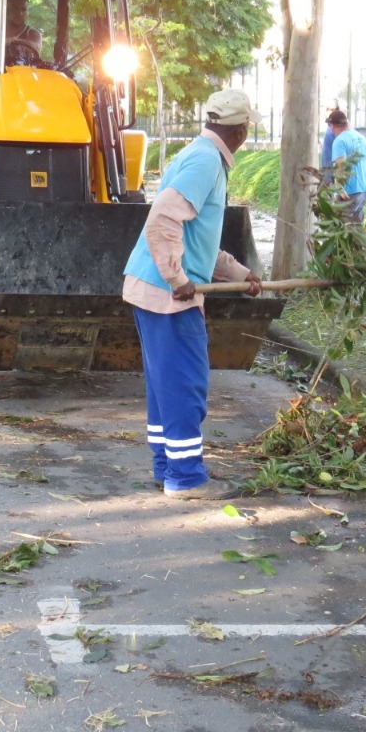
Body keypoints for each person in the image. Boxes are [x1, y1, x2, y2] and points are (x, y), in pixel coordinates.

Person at [122, 88, 264, 501]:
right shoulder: (205, 162)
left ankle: (167, 468)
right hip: (168, 294)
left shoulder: (195, 154)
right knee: (185, 383)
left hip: (151, 287)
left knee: (166, 384)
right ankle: (185, 479)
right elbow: (163, 219)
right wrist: (177, 278)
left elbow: (195, 237)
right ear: (241, 130)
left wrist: (240, 274)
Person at [326, 111, 366, 223]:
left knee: (341, 228)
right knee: (356, 229)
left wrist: (339, 189)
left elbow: (341, 166)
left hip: (349, 191)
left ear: (332, 126)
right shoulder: (361, 137)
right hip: (365, 187)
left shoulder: (339, 141)